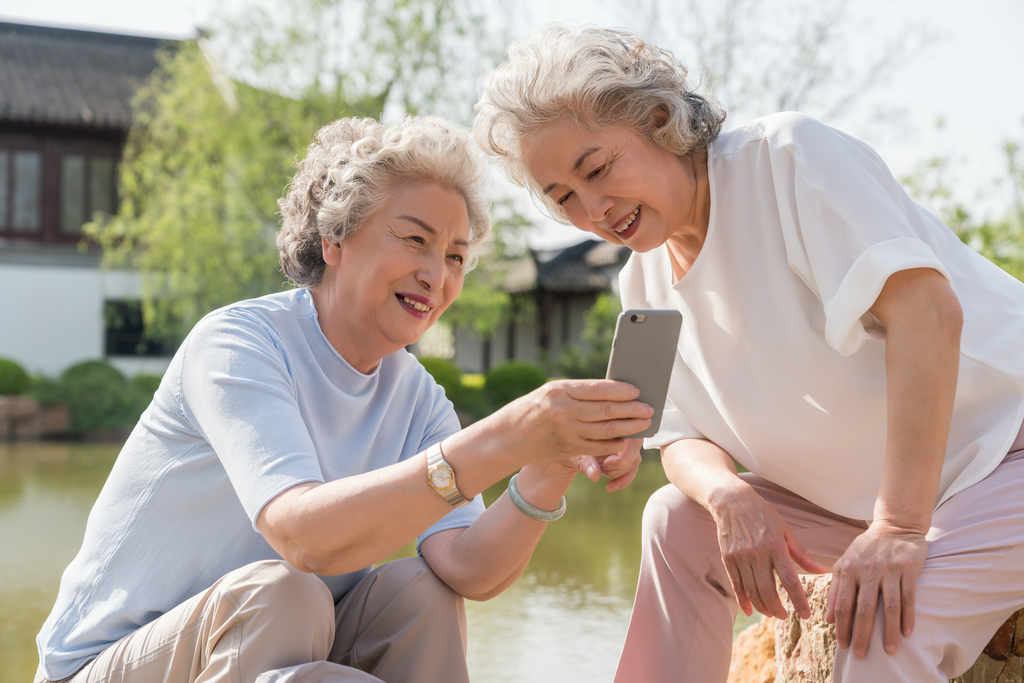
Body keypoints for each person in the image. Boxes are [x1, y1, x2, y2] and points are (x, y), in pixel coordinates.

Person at [474, 24, 1024, 682]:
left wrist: (900, 527)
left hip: (1001, 458)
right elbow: (677, 437)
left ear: (657, 119)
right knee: (677, 520)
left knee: (879, 627)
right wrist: (729, 493)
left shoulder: (787, 158)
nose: (592, 208)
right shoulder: (643, 279)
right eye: (562, 196)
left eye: (597, 169)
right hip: (865, 503)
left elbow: (928, 313)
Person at [34, 115, 654, 683]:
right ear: (335, 239)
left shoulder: (416, 395)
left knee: (423, 593)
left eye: (456, 256)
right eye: (414, 239)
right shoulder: (238, 345)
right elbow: (304, 537)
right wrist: (503, 435)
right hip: (103, 665)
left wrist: (546, 467)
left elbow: (468, 568)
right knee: (286, 591)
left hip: (279, 647)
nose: (436, 275)